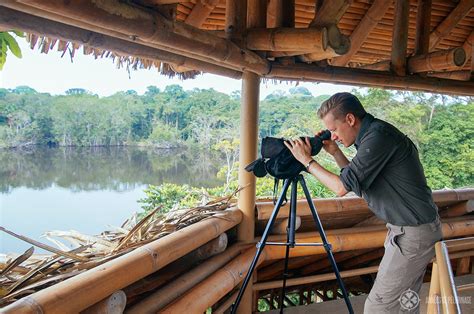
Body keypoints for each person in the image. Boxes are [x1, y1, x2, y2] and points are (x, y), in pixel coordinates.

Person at [284, 92, 442, 313]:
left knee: (377, 307)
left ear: (350, 119)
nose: (334, 136)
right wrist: (335, 152)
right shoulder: (372, 135)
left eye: (335, 129)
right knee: (405, 305)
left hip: (413, 233)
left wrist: (306, 161)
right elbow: (354, 181)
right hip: (410, 229)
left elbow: (340, 188)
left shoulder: (379, 137)